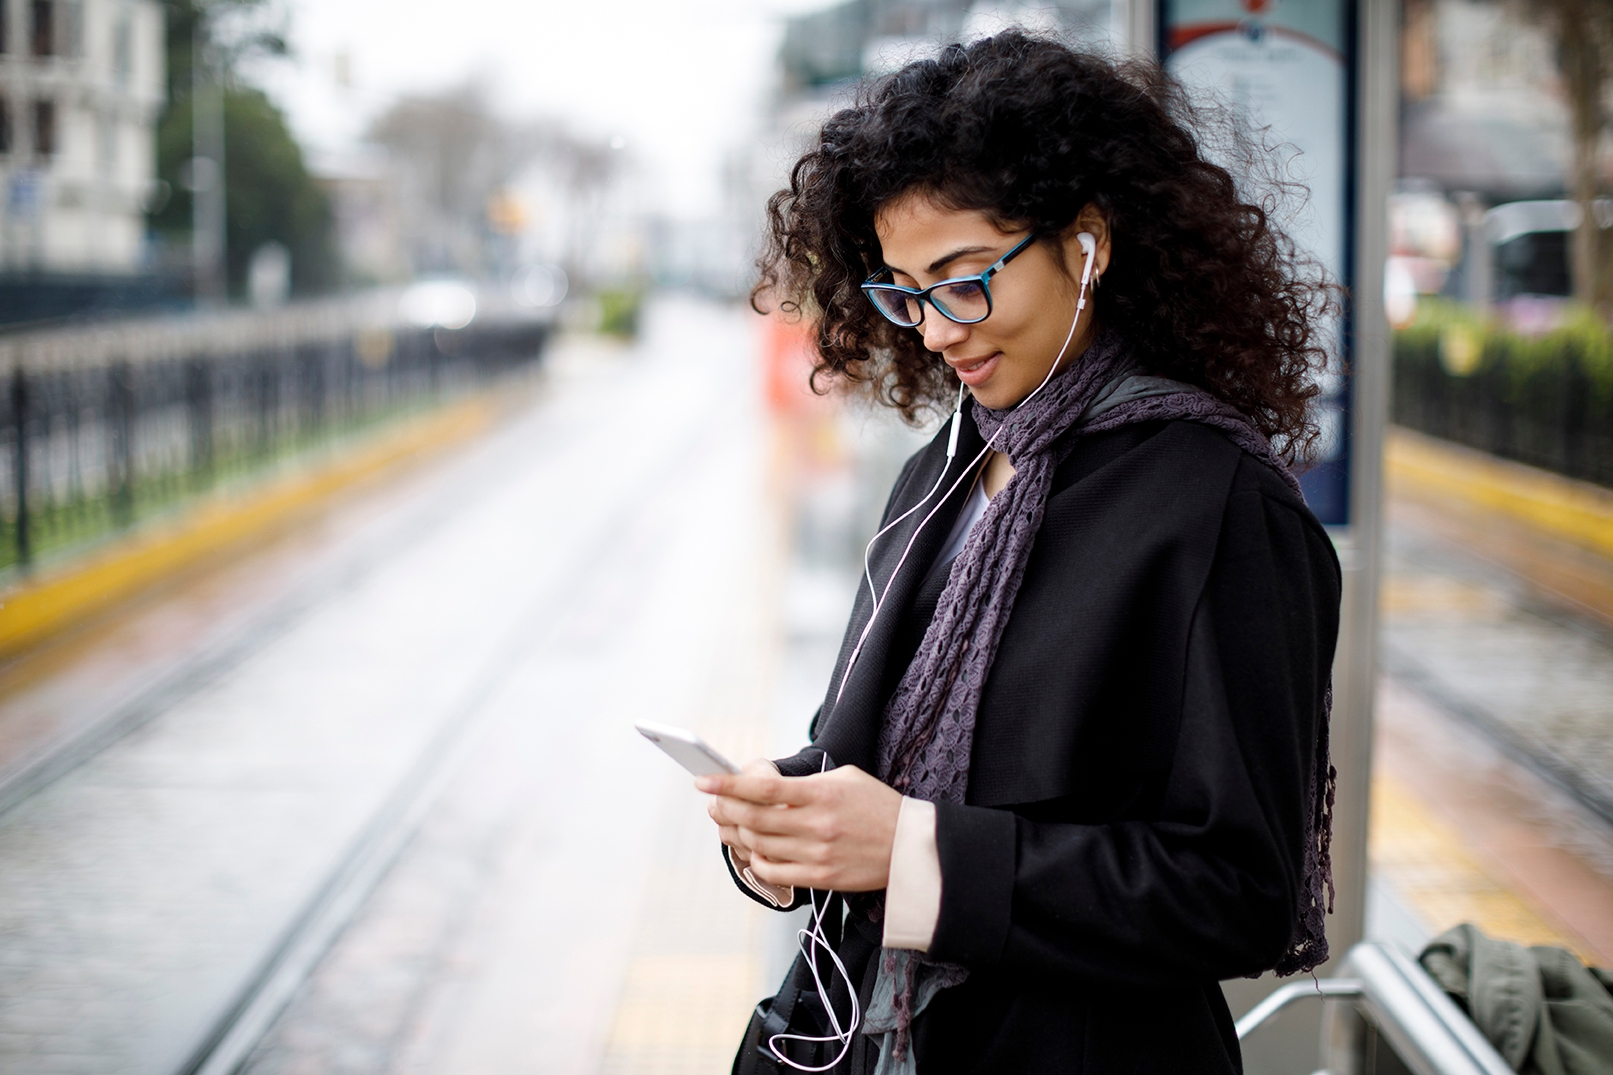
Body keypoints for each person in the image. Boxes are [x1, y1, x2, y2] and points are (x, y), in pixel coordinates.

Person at [701, 31, 1342, 1074]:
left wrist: (915, 854)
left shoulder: (1216, 506)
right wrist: (790, 817)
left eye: (962, 279)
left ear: (1084, 244)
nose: (934, 331)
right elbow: (868, 756)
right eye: (902, 293)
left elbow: (1239, 892)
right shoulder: (940, 471)